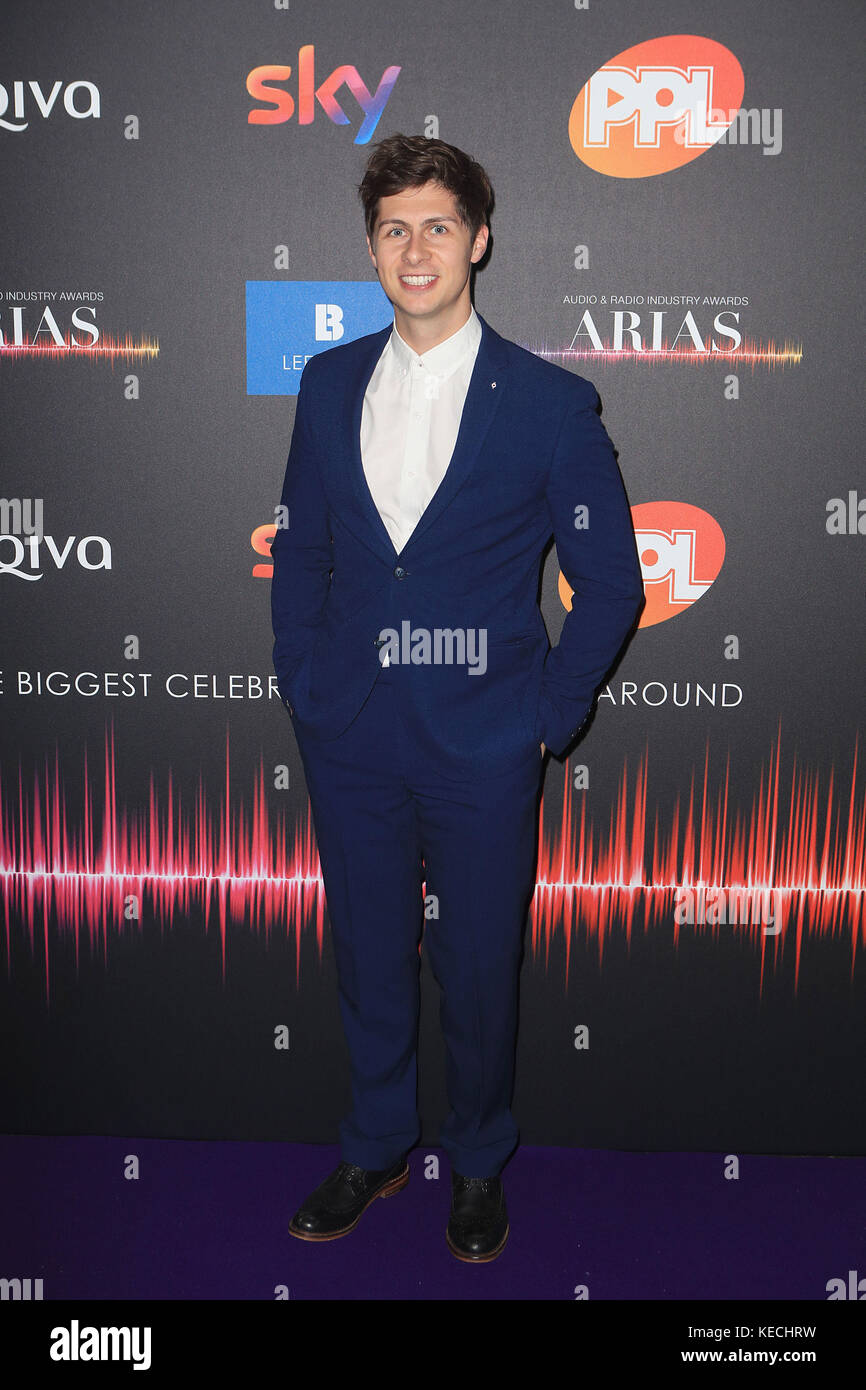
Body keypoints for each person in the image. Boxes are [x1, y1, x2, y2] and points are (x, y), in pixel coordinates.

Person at [271, 133, 644, 1262]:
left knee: (479, 964)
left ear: (478, 240)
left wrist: (545, 714)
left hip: (483, 741)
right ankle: (376, 1142)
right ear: (371, 249)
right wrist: (305, 680)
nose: (414, 247)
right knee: (366, 951)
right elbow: (303, 555)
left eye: (437, 225)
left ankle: (477, 1161)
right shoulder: (328, 381)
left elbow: (613, 581)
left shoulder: (547, 402)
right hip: (351, 736)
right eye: (393, 228)